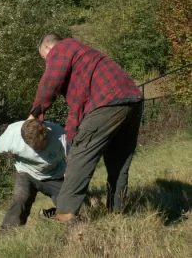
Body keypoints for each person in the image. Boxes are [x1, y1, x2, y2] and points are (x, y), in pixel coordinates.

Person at [28, 33, 143, 223]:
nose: (47, 63)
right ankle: (118, 213)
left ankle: (65, 215)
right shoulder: (85, 59)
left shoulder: (62, 48)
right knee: (119, 163)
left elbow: (49, 82)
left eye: (45, 59)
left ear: (48, 49)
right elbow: (78, 110)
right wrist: (72, 145)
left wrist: (34, 114)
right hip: (132, 99)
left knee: (81, 157)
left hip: (108, 102)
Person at [0, 119, 68, 228]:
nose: (39, 150)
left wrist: (69, 176)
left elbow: (74, 158)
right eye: (35, 148)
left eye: (42, 145)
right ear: (24, 140)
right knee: (20, 198)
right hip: (25, 172)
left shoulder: (60, 135)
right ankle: (8, 232)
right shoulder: (12, 134)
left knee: (79, 205)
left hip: (54, 173)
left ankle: (55, 213)